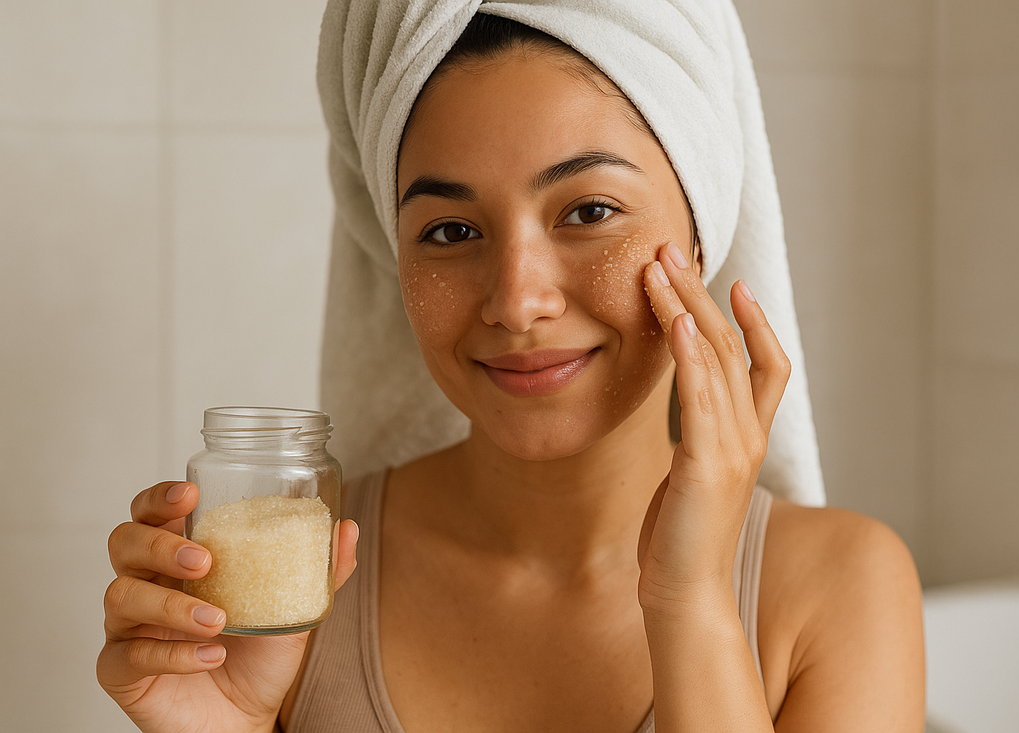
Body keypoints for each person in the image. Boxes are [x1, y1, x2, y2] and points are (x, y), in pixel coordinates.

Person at [98, 2, 925, 731]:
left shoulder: (842, 591)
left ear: (701, 230)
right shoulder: (293, 583)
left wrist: (693, 601)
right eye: (450, 231)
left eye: (590, 211)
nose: (516, 300)